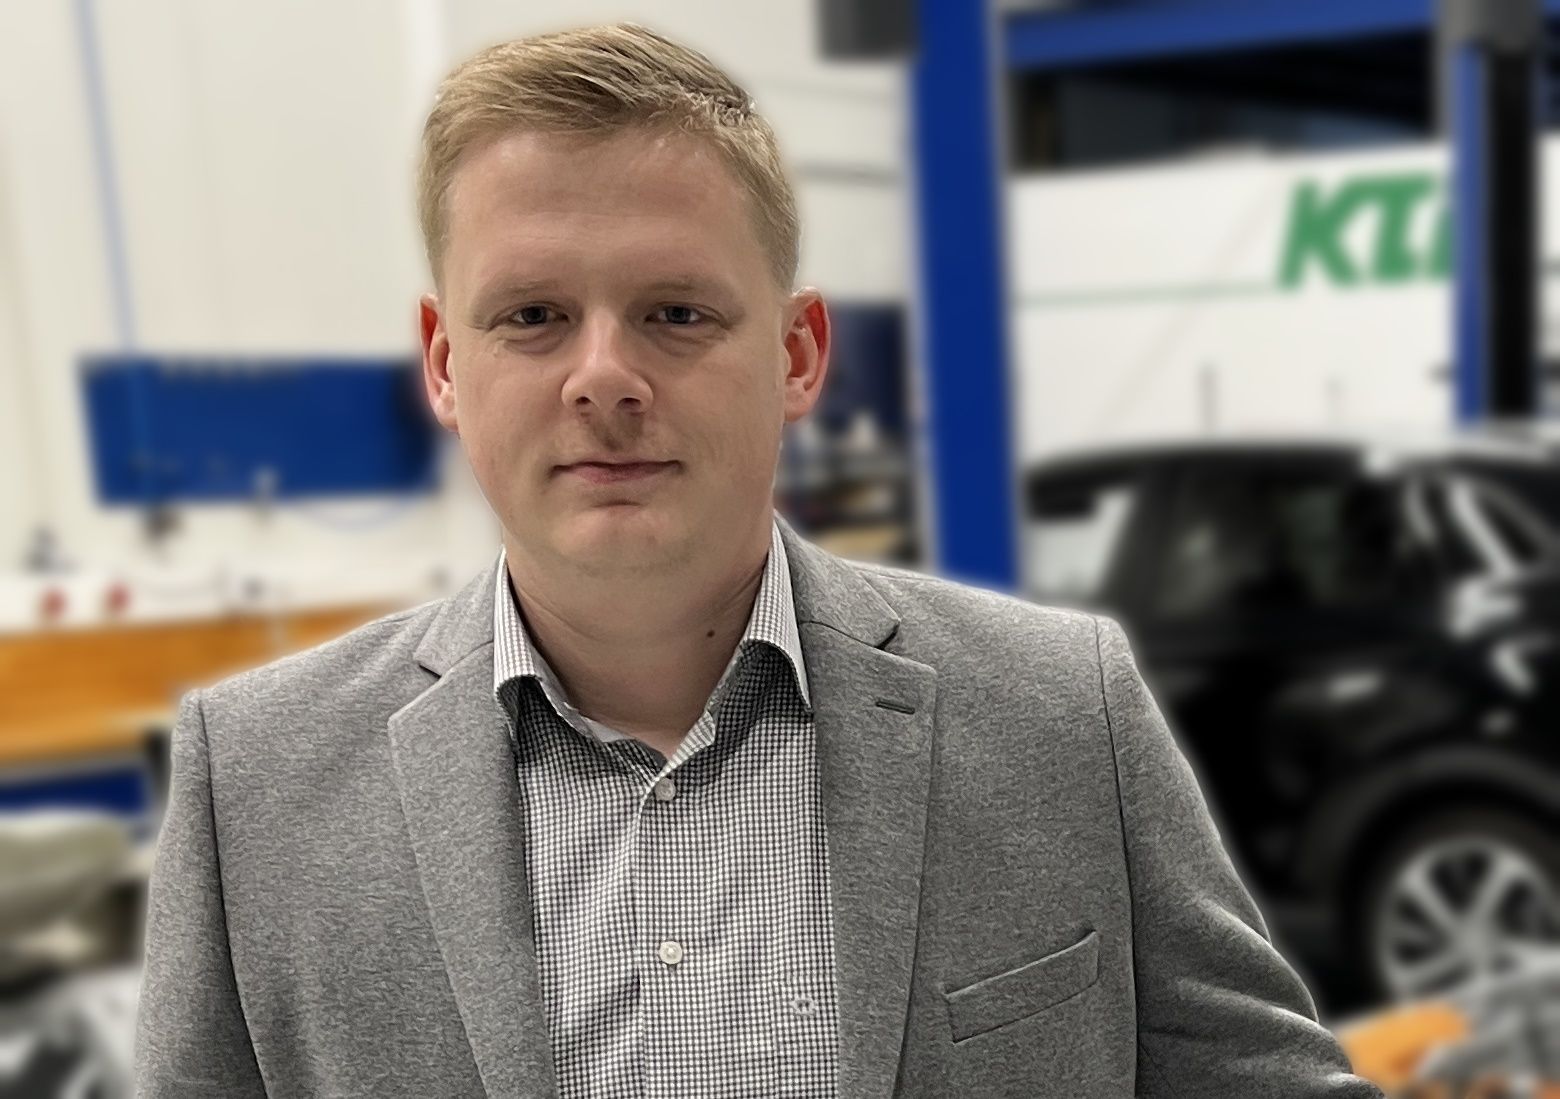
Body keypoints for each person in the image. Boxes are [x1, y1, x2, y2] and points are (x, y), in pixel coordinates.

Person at [134, 23, 1385, 1099]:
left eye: (676, 313)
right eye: (533, 316)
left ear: (796, 354)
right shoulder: (257, 787)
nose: (604, 376)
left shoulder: (1060, 716)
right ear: (445, 362)